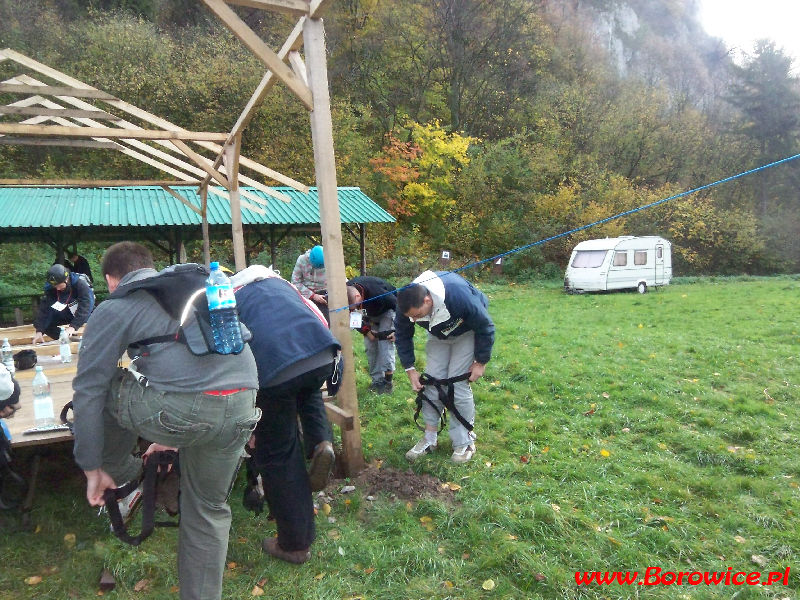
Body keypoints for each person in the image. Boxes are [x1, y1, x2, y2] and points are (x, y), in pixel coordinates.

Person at [71, 242, 260, 600]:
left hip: (184, 412)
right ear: (150, 267)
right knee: (207, 510)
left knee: (102, 383)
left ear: (112, 280)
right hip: (243, 404)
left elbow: (88, 389)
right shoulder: (198, 290)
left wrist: (91, 466)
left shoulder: (118, 305)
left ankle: (121, 474)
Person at [232, 265, 339, 565]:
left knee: (279, 457)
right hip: (321, 352)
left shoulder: (230, 296)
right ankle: (321, 441)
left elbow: (229, 350)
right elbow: (318, 316)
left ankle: (294, 545)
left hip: (275, 369)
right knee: (306, 387)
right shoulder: (282, 286)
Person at [394, 270, 495, 464]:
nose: (414, 320)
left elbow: (485, 326)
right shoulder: (406, 301)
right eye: (411, 317)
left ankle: (463, 442)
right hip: (439, 334)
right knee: (432, 382)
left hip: (467, 330)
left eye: (417, 315)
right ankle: (430, 438)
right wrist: (410, 369)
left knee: (457, 383)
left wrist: (480, 362)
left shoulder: (457, 295)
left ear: (427, 301)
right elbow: (402, 334)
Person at [346, 276, 397, 394]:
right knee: (370, 346)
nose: (352, 309)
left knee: (385, 343)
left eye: (353, 306)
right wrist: (367, 331)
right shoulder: (347, 291)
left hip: (387, 310)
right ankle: (377, 381)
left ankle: (388, 382)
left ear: (358, 297)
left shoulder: (379, 292)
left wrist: (397, 331)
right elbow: (354, 317)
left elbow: (398, 307)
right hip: (370, 314)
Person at [32, 264, 95, 343]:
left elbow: (86, 306)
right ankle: (65, 338)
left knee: (91, 320)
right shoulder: (51, 290)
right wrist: (39, 330)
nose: (58, 288)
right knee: (43, 324)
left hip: (82, 315)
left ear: (67, 279)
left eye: (60, 286)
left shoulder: (80, 284)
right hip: (64, 314)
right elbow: (45, 310)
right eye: (55, 286)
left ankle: (83, 337)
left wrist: (73, 326)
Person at [291, 245, 328, 320]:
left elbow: (340, 279)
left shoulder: (331, 262)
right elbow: (295, 282)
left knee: (325, 319)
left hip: (325, 294)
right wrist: (313, 295)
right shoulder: (302, 260)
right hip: (306, 294)